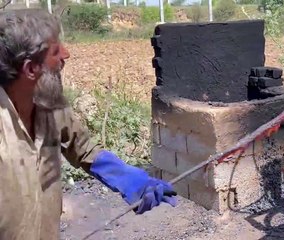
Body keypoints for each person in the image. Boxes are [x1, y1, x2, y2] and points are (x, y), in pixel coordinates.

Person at [0, 8, 177, 240]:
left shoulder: (49, 105)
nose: (67, 54)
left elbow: (82, 147)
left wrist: (126, 177)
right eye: (55, 50)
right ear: (31, 69)